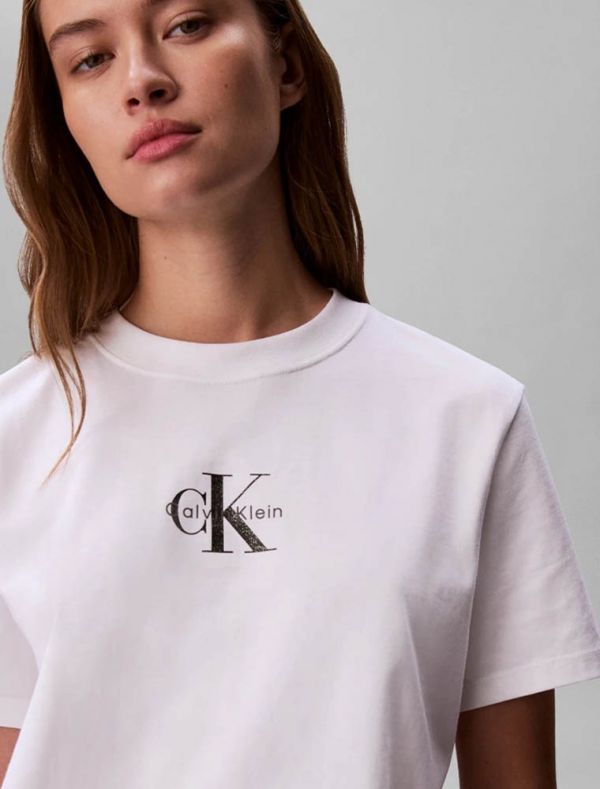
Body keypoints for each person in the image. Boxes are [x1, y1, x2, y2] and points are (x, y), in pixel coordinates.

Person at [0, 1, 599, 787]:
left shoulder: (467, 420)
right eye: (90, 60)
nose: (141, 81)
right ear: (66, 121)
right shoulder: (15, 438)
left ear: (285, 64)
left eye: (186, 24)